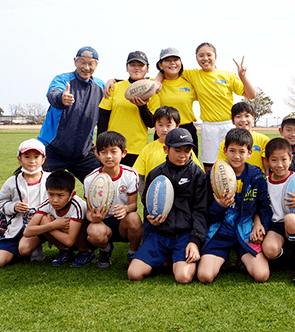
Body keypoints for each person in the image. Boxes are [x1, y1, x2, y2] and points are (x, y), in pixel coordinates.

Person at [127, 128, 208, 284]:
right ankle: (167, 258)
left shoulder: (197, 174)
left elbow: (201, 211)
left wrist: (195, 241)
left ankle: (175, 259)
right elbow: (148, 206)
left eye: (187, 150)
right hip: (160, 235)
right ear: (166, 149)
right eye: (177, 150)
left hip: (185, 235)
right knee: (133, 273)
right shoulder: (155, 174)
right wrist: (150, 220)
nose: (182, 155)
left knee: (183, 277)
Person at [197, 128, 272, 283]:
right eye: (232, 150)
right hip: (221, 233)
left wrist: (259, 224)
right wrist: (220, 206)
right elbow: (207, 214)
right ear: (225, 150)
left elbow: (264, 207)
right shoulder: (213, 176)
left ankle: (240, 256)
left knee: (261, 275)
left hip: (245, 232)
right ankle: (224, 257)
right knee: (205, 276)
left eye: (241, 151)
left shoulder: (256, 177)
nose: (236, 156)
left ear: (250, 153)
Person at [105, 48, 200, 156]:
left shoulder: (189, 83)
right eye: (167, 60)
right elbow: (135, 85)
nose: (172, 63)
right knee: (160, 162)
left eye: (175, 59)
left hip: (186, 129)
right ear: (160, 65)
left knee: (190, 164)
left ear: (181, 63)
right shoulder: (152, 85)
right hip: (163, 131)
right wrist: (114, 80)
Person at [179, 43, 257, 170]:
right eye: (201, 55)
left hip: (228, 125)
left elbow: (251, 95)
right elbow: (168, 71)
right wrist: (157, 81)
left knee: (232, 163)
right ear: (196, 58)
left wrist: (243, 77)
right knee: (209, 166)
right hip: (208, 127)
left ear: (215, 57)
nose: (205, 58)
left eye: (209, 55)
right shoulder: (192, 74)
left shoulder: (228, 76)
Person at [39, 46, 105, 181]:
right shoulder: (62, 80)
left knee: (102, 184)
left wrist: (114, 80)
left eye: (91, 64)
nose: (86, 67)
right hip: (52, 150)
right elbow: (53, 94)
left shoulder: (100, 86)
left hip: (82, 154)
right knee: (35, 186)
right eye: (82, 62)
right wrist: (61, 98)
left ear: (96, 65)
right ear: (75, 61)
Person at [83, 132, 143, 268]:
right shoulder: (90, 179)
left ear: (123, 153)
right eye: (103, 152)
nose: (108, 156)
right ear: (97, 154)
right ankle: (105, 250)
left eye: (113, 151)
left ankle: (133, 253)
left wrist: (125, 209)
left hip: (123, 223)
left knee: (134, 218)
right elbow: (89, 212)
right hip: (102, 223)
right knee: (94, 232)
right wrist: (93, 218)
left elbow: (133, 205)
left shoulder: (130, 174)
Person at [262, 138, 295, 284]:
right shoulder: (265, 182)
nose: (279, 164)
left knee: (290, 218)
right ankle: (285, 257)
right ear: (267, 161)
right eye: (274, 160)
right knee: (269, 250)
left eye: (284, 159)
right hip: (276, 226)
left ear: (291, 159)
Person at [97, 51, 160, 166]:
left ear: (147, 69)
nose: (136, 68)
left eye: (140, 65)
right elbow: (103, 118)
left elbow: (151, 123)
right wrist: (100, 145)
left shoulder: (153, 92)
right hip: (113, 147)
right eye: (132, 65)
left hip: (137, 148)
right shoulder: (114, 87)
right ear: (127, 68)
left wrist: (142, 107)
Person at [21, 170, 93, 268]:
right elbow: (27, 232)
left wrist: (51, 226)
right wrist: (53, 225)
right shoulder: (46, 204)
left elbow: (70, 241)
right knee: (44, 219)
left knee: (60, 223)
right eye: (51, 194)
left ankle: (85, 252)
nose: (55, 200)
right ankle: (65, 251)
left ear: (72, 194)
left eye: (60, 195)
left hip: (83, 238)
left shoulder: (77, 206)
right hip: (63, 235)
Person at [0, 139, 50, 267]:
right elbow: (1, 202)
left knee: (24, 249)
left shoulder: (50, 179)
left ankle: (35, 245)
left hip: (40, 227)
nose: (32, 161)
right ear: (19, 159)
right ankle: (16, 247)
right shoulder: (12, 181)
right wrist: (13, 206)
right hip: (15, 228)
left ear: (43, 159)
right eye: (27, 157)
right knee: (1, 261)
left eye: (36, 157)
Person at [133, 106, 202, 198]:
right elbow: (139, 175)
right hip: (156, 196)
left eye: (168, 125)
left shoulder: (184, 149)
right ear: (155, 126)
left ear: (177, 126)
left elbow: (197, 172)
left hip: (181, 196)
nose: (164, 129)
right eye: (160, 125)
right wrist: (144, 196)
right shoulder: (148, 149)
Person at [216, 102, 270, 172]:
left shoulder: (263, 140)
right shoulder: (225, 143)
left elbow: (267, 169)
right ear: (233, 121)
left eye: (247, 116)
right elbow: (221, 166)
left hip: (256, 178)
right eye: (238, 116)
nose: (243, 120)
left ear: (253, 118)